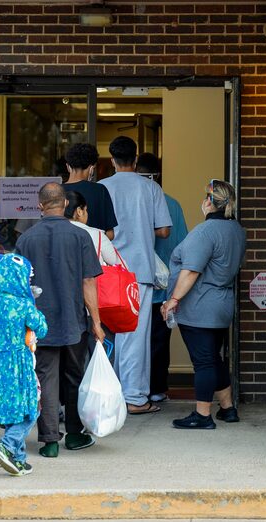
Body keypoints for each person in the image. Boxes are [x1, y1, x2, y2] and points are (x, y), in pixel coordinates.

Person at [16, 183, 106, 457]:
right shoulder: (80, 236)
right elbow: (88, 281)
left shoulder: (26, 239)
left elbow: (20, 286)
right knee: (75, 376)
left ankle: (50, 441)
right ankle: (76, 435)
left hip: (39, 322)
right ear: (66, 204)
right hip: (73, 320)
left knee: (45, 377)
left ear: (40, 205)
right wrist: (97, 322)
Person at [161, 180, 246, 430]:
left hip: (200, 306)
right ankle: (228, 409)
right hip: (221, 305)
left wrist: (172, 301)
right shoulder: (236, 230)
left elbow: (191, 271)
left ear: (209, 201)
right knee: (214, 358)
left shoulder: (205, 232)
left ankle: (203, 415)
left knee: (203, 362)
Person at [100, 137, 172, 415]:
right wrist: (140, 228)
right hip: (139, 271)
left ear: (112, 159)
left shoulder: (102, 188)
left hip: (107, 270)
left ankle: (112, 394)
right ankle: (133, 397)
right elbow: (164, 229)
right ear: (136, 156)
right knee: (135, 335)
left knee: (107, 334)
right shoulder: (150, 187)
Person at [0, 253, 48, 476]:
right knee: (32, 409)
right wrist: (34, 305)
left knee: (13, 411)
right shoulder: (23, 304)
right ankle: (7, 445)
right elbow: (41, 328)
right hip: (19, 363)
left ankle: (18, 459)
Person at [136, 153, 188, 403]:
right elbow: (182, 247)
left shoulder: (129, 203)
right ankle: (156, 388)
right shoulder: (172, 205)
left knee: (133, 340)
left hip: (132, 285)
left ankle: (134, 390)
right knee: (158, 340)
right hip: (165, 287)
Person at [62, 142, 118, 240]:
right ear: (92, 168)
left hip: (63, 252)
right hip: (93, 253)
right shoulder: (100, 190)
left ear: (68, 166)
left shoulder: (56, 192)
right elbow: (110, 234)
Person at [65, 190, 125, 268]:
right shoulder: (97, 235)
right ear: (79, 211)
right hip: (92, 279)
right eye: (85, 210)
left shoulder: (51, 233)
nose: (87, 214)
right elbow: (120, 265)